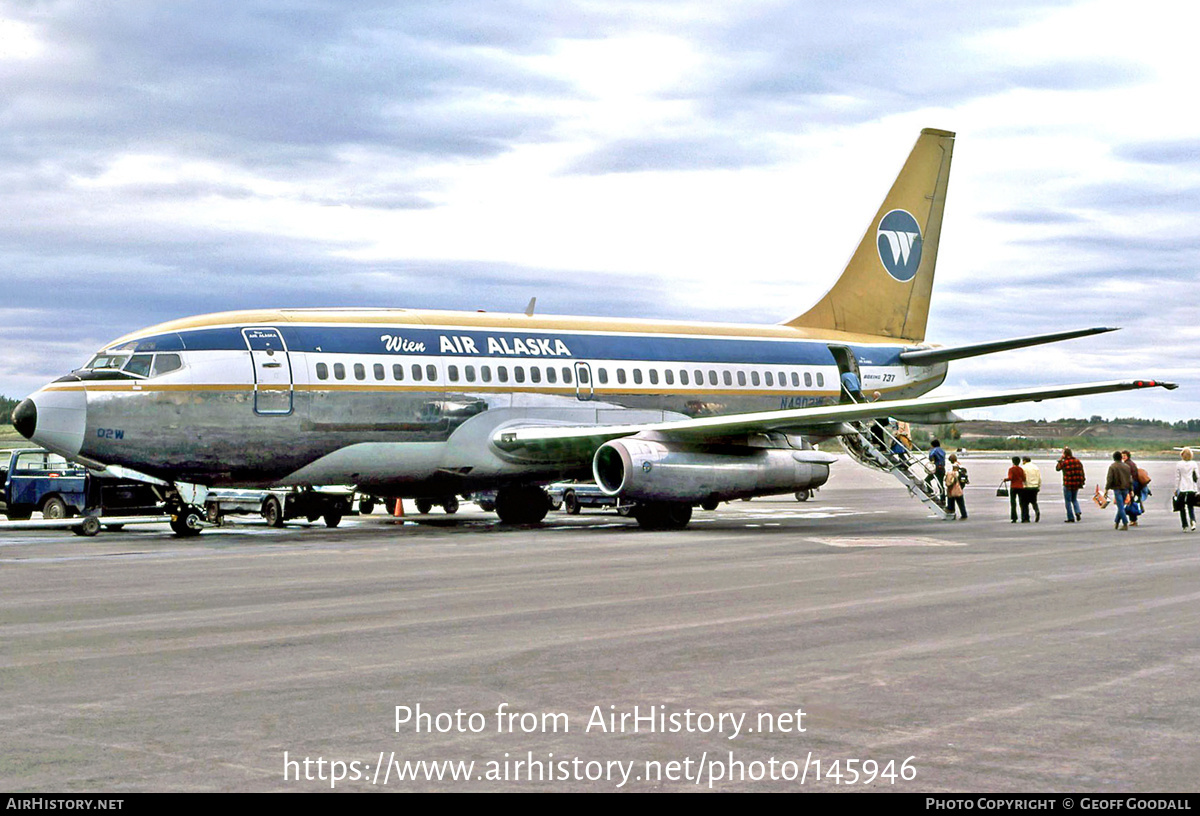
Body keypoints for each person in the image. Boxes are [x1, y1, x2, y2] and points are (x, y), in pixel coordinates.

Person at [1055, 447, 1086, 523]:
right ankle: (1077, 511)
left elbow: (1057, 468)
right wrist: (1082, 481)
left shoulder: (1064, 462)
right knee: (1074, 499)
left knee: (1068, 501)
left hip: (1068, 483)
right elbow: (1082, 472)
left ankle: (1070, 517)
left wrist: (1060, 460)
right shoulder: (1078, 461)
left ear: (1065, 454)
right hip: (1076, 483)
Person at [1105, 450, 1132, 531]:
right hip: (1125, 488)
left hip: (1117, 489)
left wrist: (1106, 489)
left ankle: (1125, 523)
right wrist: (1131, 489)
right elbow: (1130, 479)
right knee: (1121, 506)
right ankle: (1116, 522)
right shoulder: (1127, 467)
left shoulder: (1112, 467)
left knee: (1120, 506)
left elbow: (1109, 479)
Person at [1174, 447, 1199, 532]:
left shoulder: (1179, 464)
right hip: (1192, 488)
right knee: (1190, 506)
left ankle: (1184, 525)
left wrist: (1176, 488)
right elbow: (1197, 476)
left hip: (1182, 488)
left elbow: (1178, 477)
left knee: (1181, 507)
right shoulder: (1194, 464)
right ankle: (1193, 521)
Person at [1121, 451, 1143, 525]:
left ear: (1128, 456)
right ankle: (1133, 519)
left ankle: (1133, 519)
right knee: (1131, 501)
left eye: (1124, 455)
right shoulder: (1132, 463)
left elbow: (1128, 477)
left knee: (1130, 502)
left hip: (1132, 485)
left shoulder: (1127, 464)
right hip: (1136, 484)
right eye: (1122, 455)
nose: (1123, 457)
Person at [1003, 455, 1026, 523]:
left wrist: (1005, 479)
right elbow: (1024, 478)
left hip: (1013, 487)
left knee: (1013, 503)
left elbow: (1010, 478)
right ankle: (1023, 517)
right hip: (1020, 487)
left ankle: (1014, 518)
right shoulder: (1021, 469)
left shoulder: (1011, 469)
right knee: (1021, 503)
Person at [945, 453, 967, 519]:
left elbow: (952, 479)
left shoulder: (954, 467)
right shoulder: (960, 464)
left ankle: (951, 511)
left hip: (955, 486)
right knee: (960, 502)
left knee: (952, 499)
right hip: (959, 485)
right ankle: (964, 514)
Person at [1021, 456, 1041, 523]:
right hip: (1035, 487)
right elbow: (1039, 478)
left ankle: (1026, 518)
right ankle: (1036, 511)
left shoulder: (1023, 468)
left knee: (1024, 503)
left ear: (1024, 461)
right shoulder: (1036, 467)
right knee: (1034, 501)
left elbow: (1022, 478)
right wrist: (1038, 486)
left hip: (1026, 487)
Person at [927, 440, 947, 504]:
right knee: (940, 484)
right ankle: (943, 499)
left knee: (927, 480)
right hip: (942, 469)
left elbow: (930, 456)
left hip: (937, 468)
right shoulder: (942, 451)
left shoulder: (934, 450)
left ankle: (931, 491)